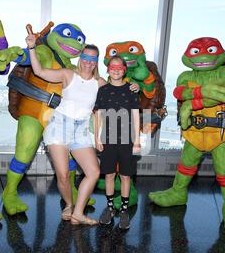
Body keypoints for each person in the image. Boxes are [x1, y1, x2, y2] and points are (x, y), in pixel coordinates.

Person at [25, 33, 139, 225]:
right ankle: (69, 204)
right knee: (62, 175)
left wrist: (133, 87)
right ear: (80, 59)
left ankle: (78, 213)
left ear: (96, 62)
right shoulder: (67, 74)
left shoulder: (100, 83)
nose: (88, 62)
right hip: (60, 126)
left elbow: (119, 87)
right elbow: (39, 72)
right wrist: (31, 48)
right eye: (85, 57)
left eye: (92, 59)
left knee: (93, 172)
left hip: (81, 131)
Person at [94, 55, 141, 230]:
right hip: (108, 139)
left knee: (126, 176)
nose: (115, 70)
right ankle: (110, 208)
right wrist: (97, 138)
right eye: (112, 67)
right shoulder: (103, 90)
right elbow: (98, 115)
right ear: (108, 70)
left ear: (124, 70)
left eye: (119, 67)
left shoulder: (132, 89)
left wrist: (136, 141)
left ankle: (123, 210)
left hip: (127, 139)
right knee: (109, 175)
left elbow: (136, 115)